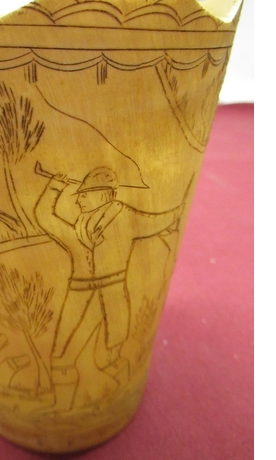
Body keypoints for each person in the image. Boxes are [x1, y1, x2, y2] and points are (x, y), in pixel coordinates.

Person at [34, 166, 183, 411]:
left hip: (111, 294)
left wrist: (176, 213)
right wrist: (54, 187)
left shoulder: (125, 217)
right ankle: (62, 408)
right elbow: (45, 217)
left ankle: (119, 396)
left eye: (84, 195)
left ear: (102, 195)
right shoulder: (77, 229)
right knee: (61, 354)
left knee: (108, 357)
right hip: (78, 295)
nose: (78, 200)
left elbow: (158, 220)